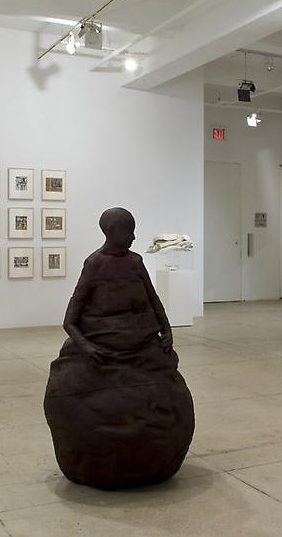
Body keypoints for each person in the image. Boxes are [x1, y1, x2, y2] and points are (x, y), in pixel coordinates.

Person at [44, 207, 194, 489]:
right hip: (101, 349)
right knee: (83, 393)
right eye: (129, 231)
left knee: (160, 394)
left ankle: (154, 454)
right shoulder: (95, 264)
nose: (135, 237)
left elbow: (153, 298)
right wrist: (87, 349)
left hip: (143, 344)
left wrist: (167, 328)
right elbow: (70, 320)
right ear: (111, 233)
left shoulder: (135, 262)